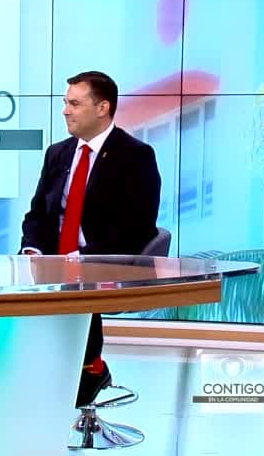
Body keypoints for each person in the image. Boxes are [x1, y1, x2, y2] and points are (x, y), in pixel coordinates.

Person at [20, 71, 160, 406]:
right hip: (54, 262)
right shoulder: (57, 153)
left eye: (74, 103)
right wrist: (32, 249)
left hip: (101, 260)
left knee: (76, 283)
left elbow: (137, 227)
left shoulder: (135, 155)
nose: (65, 111)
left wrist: (82, 258)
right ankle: (65, 373)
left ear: (102, 108)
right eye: (65, 103)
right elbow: (37, 214)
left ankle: (87, 371)